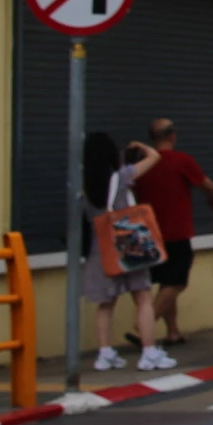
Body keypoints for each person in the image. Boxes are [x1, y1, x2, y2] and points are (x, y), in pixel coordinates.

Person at [84, 132, 171, 373]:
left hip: (100, 247)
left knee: (106, 303)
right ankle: (149, 352)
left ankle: (105, 354)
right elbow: (154, 157)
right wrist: (140, 146)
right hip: (128, 240)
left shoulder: (84, 185)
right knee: (143, 297)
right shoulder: (121, 177)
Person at [134, 117, 213, 352]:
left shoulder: (142, 165)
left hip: (148, 233)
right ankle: (143, 325)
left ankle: (173, 332)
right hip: (176, 231)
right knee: (177, 281)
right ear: (172, 137)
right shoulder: (182, 161)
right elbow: (208, 186)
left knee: (165, 283)